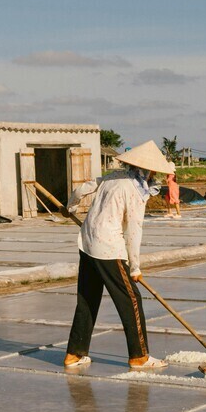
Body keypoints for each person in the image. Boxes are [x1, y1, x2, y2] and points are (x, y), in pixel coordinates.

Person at [62, 140, 173, 371]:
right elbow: (134, 231)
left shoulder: (113, 177)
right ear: (149, 170)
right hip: (108, 249)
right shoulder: (134, 191)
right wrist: (135, 267)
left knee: (87, 299)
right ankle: (139, 357)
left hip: (87, 242)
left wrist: (70, 206)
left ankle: (74, 353)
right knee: (132, 300)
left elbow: (82, 189)